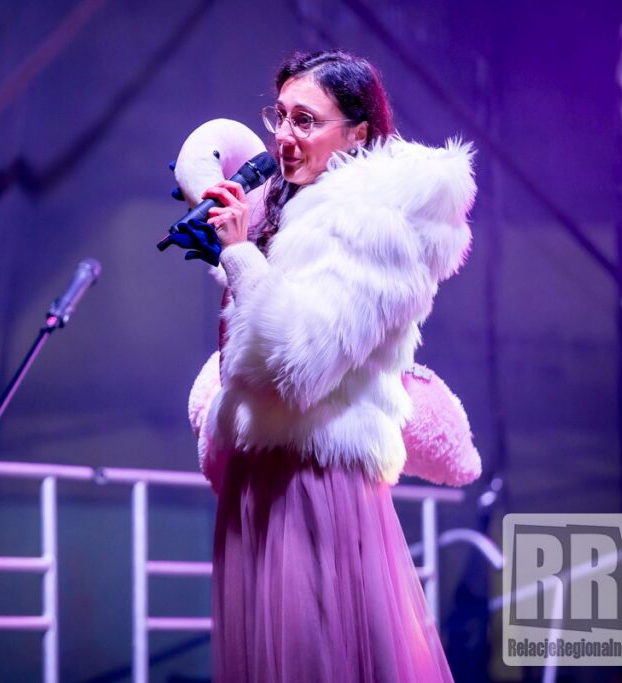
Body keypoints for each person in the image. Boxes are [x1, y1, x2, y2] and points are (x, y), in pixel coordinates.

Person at [183, 49, 475, 682]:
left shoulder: (376, 229)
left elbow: (299, 364)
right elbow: (242, 358)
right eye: (280, 116)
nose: (284, 137)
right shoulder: (286, 212)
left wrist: (239, 253)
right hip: (259, 479)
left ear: (358, 133)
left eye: (306, 121)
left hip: (314, 485)